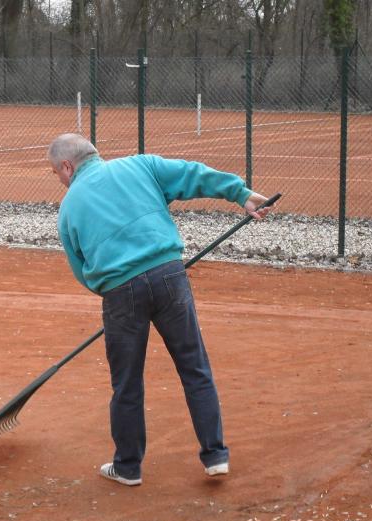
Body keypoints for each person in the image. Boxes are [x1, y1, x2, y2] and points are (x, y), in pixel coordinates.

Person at [48, 133, 272, 486]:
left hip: (119, 292)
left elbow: (81, 269)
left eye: (57, 174)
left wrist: (111, 292)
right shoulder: (141, 165)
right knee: (194, 367)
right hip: (169, 276)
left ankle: (128, 467)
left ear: (67, 166)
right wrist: (241, 194)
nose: (60, 181)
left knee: (126, 383)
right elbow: (192, 175)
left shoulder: (69, 208)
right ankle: (215, 456)